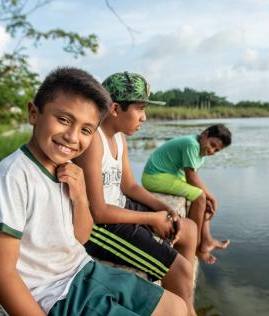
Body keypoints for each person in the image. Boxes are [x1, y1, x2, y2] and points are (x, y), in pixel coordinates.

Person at [0, 67, 187, 316]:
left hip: (83, 269)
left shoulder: (68, 169)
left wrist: (79, 196)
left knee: (176, 308)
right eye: (64, 120)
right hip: (52, 294)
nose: (71, 137)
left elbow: (83, 235)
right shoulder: (12, 177)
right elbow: (1, 275)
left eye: (86, 130)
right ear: (34, 113)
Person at [74, 72, 198, 316]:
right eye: (140, 109)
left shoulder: (119, 137)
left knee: (190, 229)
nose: (144, 117)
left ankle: (186, 305)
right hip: (99, 228)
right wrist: (151, 219)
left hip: (119, 207)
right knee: (181, 269)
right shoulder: (94, 142)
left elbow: (129, 186)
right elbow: (98, 212)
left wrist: (163, 208)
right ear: (115, 108)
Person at [142, 124, 232, 264]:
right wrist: (213, 198)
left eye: (216, 150)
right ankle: (194, 245)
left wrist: (208, 199)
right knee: (200, 197)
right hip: (155, 176)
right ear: (205, 134)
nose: (212, 150)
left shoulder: (200, 149)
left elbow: (193, 179)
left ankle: (206, 240)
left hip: (169, 175)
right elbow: (192, 179)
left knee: (203, 199)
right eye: (212, 144)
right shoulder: (192, 144)